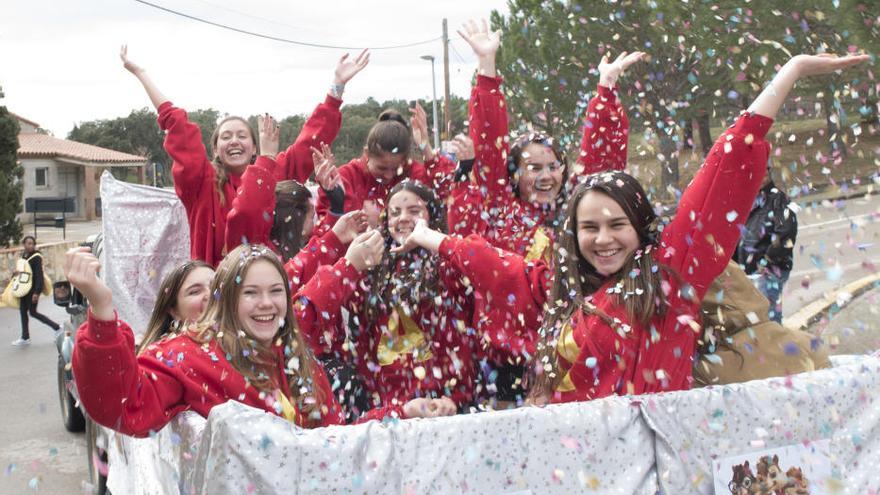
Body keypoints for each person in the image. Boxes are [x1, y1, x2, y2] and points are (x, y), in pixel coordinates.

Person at [395, 53, 869, 404]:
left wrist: (790, 73)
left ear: (642, 229)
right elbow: (496, 266)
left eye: (617, 225)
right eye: (589, 228)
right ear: (571, 234)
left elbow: (717, 181)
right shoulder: (557, 284)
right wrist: (429, 236)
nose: (603, 239)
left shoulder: (669, 278)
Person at [447, 19, 643, 403]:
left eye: (553, 165)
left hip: (572, 352)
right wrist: (487, 68)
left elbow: (601, 164)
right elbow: (489, 141)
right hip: (508, 364)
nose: (546, 175)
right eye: (533, 168)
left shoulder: (576, 209)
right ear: (514, 174)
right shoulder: (498, 207)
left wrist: (605, 90)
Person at [69, 244, 454, 437]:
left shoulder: (297, 359)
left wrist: (404, 413)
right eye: (250, 292)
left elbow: (334, 442)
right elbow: (120, 407)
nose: (266, 304)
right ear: (226, 299)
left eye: (276, 291)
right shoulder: (185, 356)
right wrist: (103, 312)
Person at [120, 46, 369, 266]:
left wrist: (336, 89)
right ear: (216, 149)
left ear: (254, 147)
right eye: (226, 137)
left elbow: (308, 144)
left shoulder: (273, 174)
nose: (234, 141)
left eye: (242, 136)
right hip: (215, 291)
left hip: (270, 287)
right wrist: (142, 74)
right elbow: (178, 127)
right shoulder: (200, 183)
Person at [297, 181, 478, 413]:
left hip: (445, 405)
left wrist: (456, 398)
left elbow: (462, 343)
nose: (403, 218)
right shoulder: (369, 270)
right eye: (395, 212)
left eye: (414, 211)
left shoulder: (449, 268)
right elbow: (318, 308)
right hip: (389, 412)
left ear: (432, 217)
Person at [313, 105, 457, 235]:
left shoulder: (412, 173)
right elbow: (324, 238)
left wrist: (427, 150)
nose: (388, 175)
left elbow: (450, 197)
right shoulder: (347, 176)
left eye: (395, 169)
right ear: (366, 154)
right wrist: (337, 204)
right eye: (381, 168)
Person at [733, 171, 798, 323]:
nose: (760, 178)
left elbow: (786, 233)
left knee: (768, 319)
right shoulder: (751, 199)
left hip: (768, 269)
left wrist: (767, 260)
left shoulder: (778, 199)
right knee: (757, 318)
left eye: (764, 174)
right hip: (750, 269)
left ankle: (774, 346)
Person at [135, 260, 214, 354]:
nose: (211, 294)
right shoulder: (161, 358)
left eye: (215, 286)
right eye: (195, 291)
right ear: (174, 311)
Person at [12, 236, 60, 346]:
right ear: (24, 244)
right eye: (28, 243)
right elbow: (24, 273)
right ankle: (25, 337)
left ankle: (57, 327)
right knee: (23, 311)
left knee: (33, 312)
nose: (30, 245)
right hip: (24, 289)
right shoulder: (24, 256)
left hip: (32, 290)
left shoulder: (36, 257)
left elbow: (39, 276)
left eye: (32, 243)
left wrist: (37, 293)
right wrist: (16, 274)